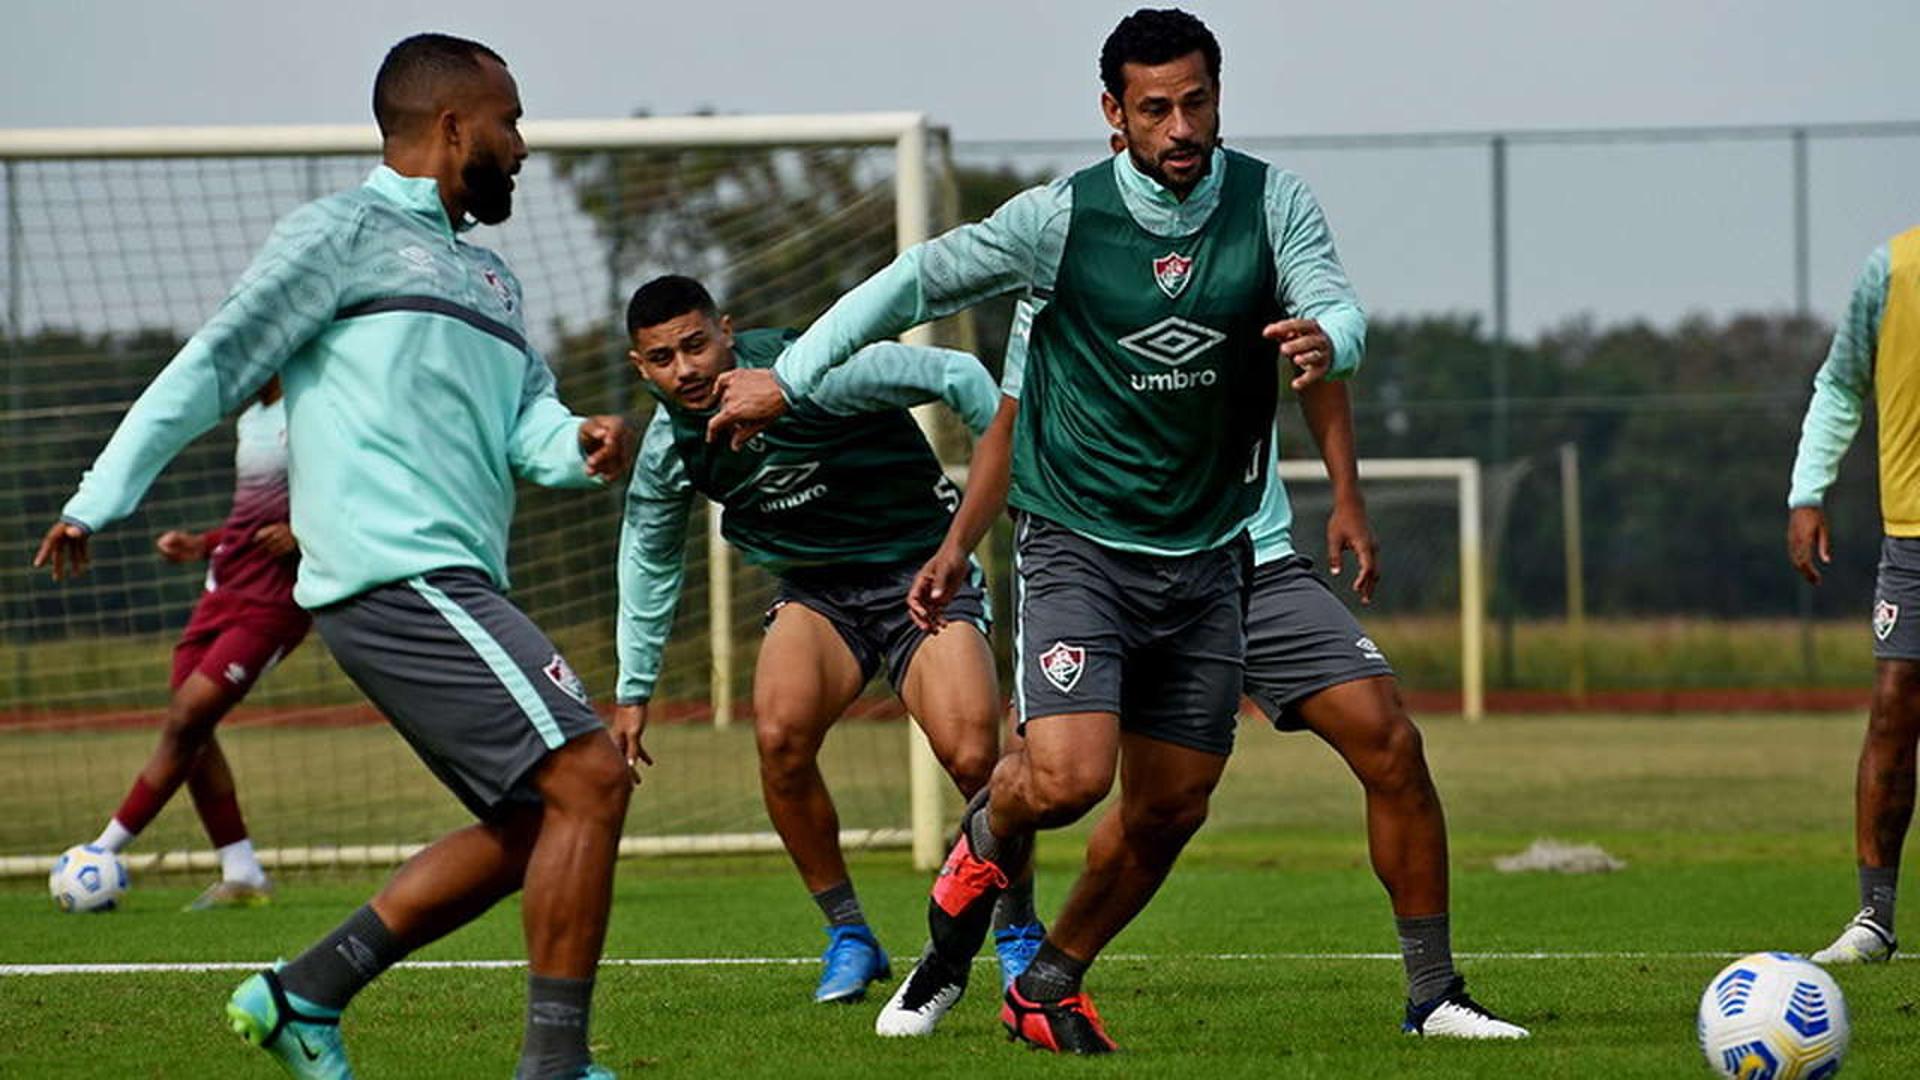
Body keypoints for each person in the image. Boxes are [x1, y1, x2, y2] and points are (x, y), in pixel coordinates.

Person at [710, 7, 1337, 1054]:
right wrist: (796, 374)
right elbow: (916, 284)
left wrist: (1328, 336)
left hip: (1211, 551)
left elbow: (1335, 305)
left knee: (1171, 808)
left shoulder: (1276, 204)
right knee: (1069, 775)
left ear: (1219, 100)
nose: (1180, 126)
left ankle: (1046, 983)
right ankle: (979, 866)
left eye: (1196, 103)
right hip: (1079, 539)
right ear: (1113, 115)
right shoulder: (1059, 222)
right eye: (1154, 108)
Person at [35, 33, 634, 1080]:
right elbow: (211, 364)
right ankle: (553, 1066)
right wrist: (98, 500)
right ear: (455, 129)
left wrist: (574, 440)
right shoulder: (338, 233)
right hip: (393, 576)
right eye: (511, 121)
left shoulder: (492, 279)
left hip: (451, 582)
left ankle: (303, 993)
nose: (523, 145)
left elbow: (526, 420)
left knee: (543, 815)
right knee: (591, 773)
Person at [612, 275, 1041, 1003]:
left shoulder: (818, 371)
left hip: (921, 571)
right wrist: (632, 688)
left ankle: (1018, 932)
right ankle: (849, 935)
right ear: (639, 366)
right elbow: (650, 558)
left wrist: (1023, 494)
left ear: (727, 330)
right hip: (818, 594)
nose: (684, 370)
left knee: (975, 758)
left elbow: (956, 373)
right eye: (662, 358)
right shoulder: (668, 449)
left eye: (695, 345)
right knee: (779, 739)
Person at [81, 377, 309, 910]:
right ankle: (242, 869)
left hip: (275, 602)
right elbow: (252, 517)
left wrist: (305, 531)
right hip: (221, 589)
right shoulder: (251, 420)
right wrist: (204, 543)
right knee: (194, 729)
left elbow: (358, 489)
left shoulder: (315, 406)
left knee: (187, 718)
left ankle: (102, 850)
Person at [1790, 228, 1920, 966]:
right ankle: (1874, 918)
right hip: (1914, 537)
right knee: (1894, 709)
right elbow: (1841, 383)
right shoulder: (1893, 267)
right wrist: (1809, 490)